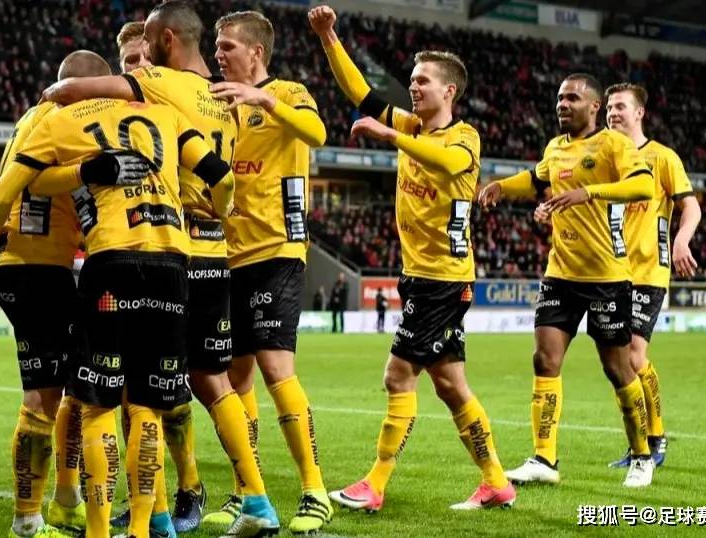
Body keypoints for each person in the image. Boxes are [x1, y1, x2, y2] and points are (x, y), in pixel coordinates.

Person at [0, 48, 235, 538]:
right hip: (57, 268)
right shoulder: (106, 117)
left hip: (66, 267)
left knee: (82, 392)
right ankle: (34, 519)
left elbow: (15, 190)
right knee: (75, 398)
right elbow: (219, 177)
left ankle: (69, 504)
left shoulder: (44, 121)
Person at [42, 6, 271, 532]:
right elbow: (222, 175)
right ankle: (244, 499)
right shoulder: (222, 96)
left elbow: (72, 92)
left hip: (169, 247)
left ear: (162, 44)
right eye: (129, 61)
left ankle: (168, 505)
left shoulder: (157, 90)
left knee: (140, 390)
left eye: (142, 54)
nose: (137, 67)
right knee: (202, 381)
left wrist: (59, 99)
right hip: (211, 251)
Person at [310, 5, 515, 512]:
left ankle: (375, 484)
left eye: (423, 80)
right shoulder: (413, 126)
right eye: (412, 80)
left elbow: (449, 164)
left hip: (441, 280)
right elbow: (361, 94)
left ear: (449, 91)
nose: (414, 87)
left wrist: (392, 137)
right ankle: (495, 481)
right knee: (450, 385)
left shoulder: (463, 137)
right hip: (422, 277)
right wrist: (329, 38)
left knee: (397, 377)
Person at [480, 72, 657, 488]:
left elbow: (644, 185)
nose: (562, 104)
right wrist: (502, 187)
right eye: (560, 98)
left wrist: (589, 193)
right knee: (545, 359)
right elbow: (536, 180)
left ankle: (642, 455)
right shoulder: (555, 147)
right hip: (560, 272)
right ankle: (544, 458)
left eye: (572, 98)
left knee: (617, 369)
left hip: (607, 276)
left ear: (594, 106)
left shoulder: (614, 144)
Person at [205, 9, 332, 535]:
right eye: (216, 46)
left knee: (277, 368)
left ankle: (314, 491)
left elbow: (317, 133)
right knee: (236, 378)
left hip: (277, 249)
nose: (218, 54)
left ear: (256, 52)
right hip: (228, 255)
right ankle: (245, 492)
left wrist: (264, 101)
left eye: (227, 46)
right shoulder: (218, 104)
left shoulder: (289, 92)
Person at [0, 52, 103, 538]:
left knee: (72, 385)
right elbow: (6, 192)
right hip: (33, 269)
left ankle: (65, 499)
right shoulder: (61, 119)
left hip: (39, 267)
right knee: (42, 396)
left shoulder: (31, 118)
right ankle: (27, 520)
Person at [601, 82, 702, 469]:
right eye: (609, 107)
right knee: (618, 364)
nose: (612, 113)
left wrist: (681, 239)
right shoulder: (605, 157)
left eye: (620, 106)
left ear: (639, 112)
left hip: (648, 269)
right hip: (611, 270)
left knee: (634, 355)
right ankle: (638, 442)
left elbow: (690, 207)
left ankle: (656, 438)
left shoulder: (662, 157)